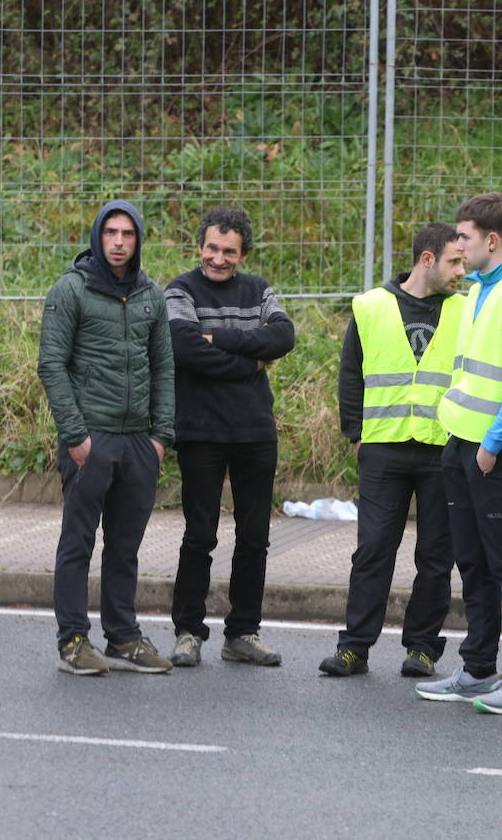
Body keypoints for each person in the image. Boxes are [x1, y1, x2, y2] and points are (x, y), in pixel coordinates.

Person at [415, 191, 502, 715]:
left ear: (491, 240)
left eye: (465, 237)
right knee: (472, 562)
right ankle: (476, 669)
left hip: (496, 451)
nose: (458, 244)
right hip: (462, 445)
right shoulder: (478, 291)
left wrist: (492, 446)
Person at [319, 223, 467, 678]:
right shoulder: (371, 306)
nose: (462, 270)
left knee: (436, 555)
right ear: (427, 259)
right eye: (454, 261)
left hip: (443, 447)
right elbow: (351, 372)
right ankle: (354, 648)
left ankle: (422, 649)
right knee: (373, 550)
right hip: (383, 447)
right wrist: (356, 434)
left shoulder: (467, 309)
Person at [38, 199, 175, 676]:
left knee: (125, 547)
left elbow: (163, 367)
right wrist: (76, 436)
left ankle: (123, 638)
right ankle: (73, 641)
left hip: (139, 443)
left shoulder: (151, 295)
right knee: (78, 543)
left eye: (128, 234)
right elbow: (51, 365)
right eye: (111, 233)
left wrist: (160, 438)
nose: (118, 242)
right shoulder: (70, 290)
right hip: (90, 441)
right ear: (98, 236)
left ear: (138, 240)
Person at [165, 206, 296, 667]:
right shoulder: (180, 290)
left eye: (229, 251)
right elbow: (182, 347)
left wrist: (214, 339)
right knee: (199, 536)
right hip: (201, 432)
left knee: (255, 537)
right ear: (200, 246)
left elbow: (283, 336)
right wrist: (248, 360)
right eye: (212, 249)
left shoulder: (259, 289)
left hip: (255, 432)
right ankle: (188, 632)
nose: (219, 259)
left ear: (243, 254)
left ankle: (243, 632)